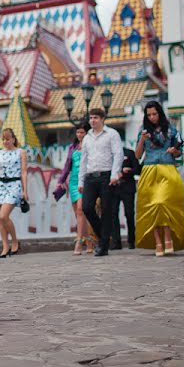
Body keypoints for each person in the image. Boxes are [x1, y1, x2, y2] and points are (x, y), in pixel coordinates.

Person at [135, 101, 184, 256]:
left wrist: (174, 150)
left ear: (160, 113)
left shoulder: (171, 130)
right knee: (152, 207)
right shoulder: (143, 131)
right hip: (149, 170)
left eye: (154, 114)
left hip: (167, 169)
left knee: (162, 203)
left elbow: (179, 152)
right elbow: (137, 155)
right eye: (149, 115)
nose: (152, 117)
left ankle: (168, 236)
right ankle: (158, 241)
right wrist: (142, 140)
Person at [78, 107, 123, 257]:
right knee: (87, 207)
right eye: (91, 118)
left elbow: (118, 154)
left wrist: (115, 174)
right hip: (90, 176)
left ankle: (102, 245)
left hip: (106, 175)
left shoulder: (112, 134)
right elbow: (83, 160)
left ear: (102, 119)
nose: (93, 121)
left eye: (96, 118)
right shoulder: (87, 137)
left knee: (106, 210)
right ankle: (104, 236)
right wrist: (81, 181)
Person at [0, 128, 28, 258]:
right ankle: (5, 246)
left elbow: (24, 172)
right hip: (0, 185)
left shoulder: (21, 152)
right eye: (3, 139)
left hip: (14, 185)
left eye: (8, 139)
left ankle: (15, 241)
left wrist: (25, 190)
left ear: (13, 139)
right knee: (0, 219)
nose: (5, 141)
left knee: (4, 216)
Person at [56, 123, 93, 255]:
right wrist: (60, 181)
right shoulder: (72, 147)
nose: (80, 135)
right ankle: (88, 239)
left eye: (82, 132)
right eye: (78, 132)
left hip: (85, 181)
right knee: (78, 214)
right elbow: (67, 165)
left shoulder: (90, 146)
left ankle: (79, 241)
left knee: (80, 210)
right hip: (73, 181)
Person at [111, 148, 139, 250]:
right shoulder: (109, 153)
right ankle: (116, 241)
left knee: (129, 213)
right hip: (114, 187)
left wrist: (129, 171)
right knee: (113, 214)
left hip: (127, 187)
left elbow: (138, 168)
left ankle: (131, 240)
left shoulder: (129, 152)